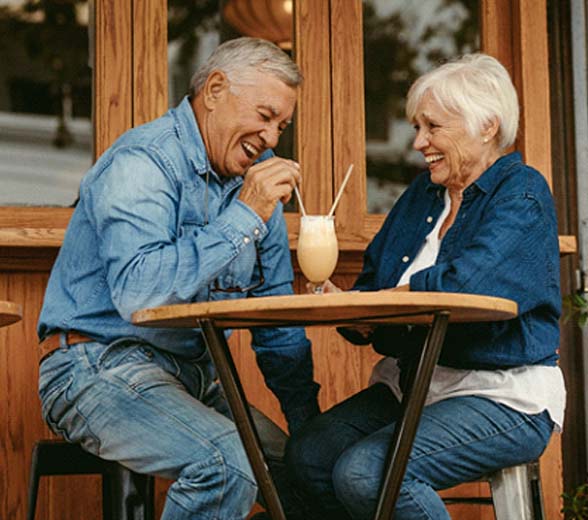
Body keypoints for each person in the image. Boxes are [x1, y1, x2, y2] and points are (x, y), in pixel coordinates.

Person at [37, 37, 320, 520]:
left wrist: (311, 432)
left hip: (192, 379)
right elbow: (140, 293)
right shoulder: (143, 162)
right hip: (92, 366)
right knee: (227, 464)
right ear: (214, 90)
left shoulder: (254, 191)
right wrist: (245, 214)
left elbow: (276, 323)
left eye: (282, 126)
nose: (272, 138)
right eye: (265, 115)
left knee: (312, 481)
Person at [286, 53, 565, 519]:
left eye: (433, 127)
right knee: (308, 457)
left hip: (501, 394)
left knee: (365, 473)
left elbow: (464, 286)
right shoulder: (422, 195)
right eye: (417, 127)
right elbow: (374, 283)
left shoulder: (522, 193)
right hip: (413, 386)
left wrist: (377, 303)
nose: (419, 142)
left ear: (487, 125)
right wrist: (354, 312)